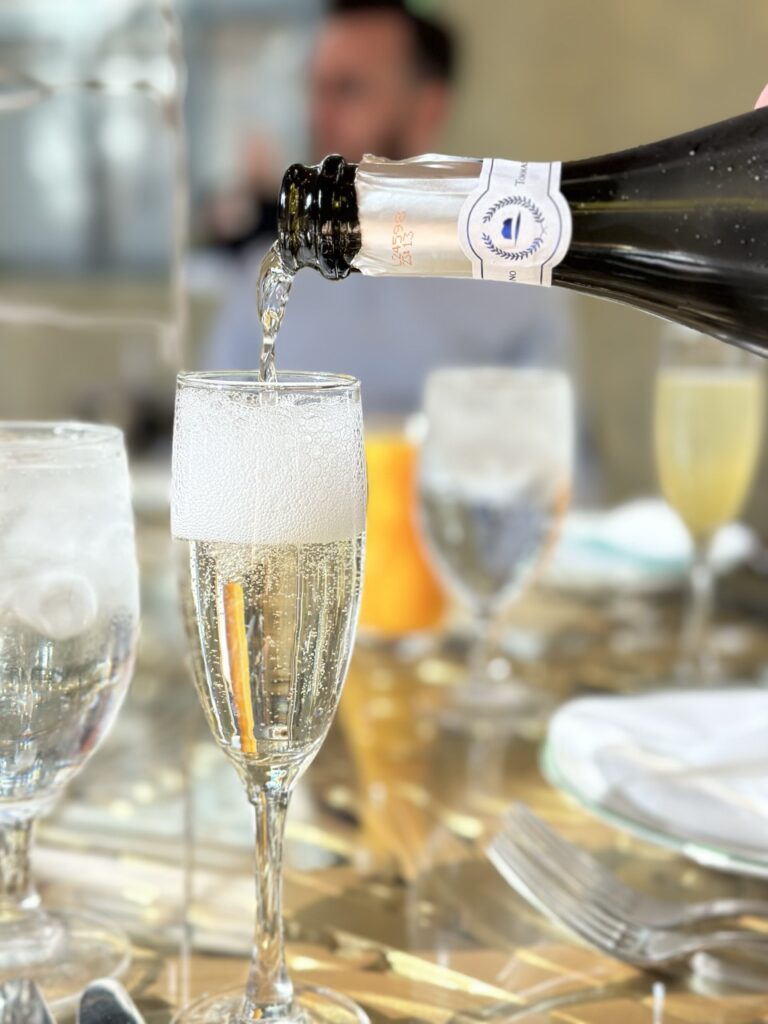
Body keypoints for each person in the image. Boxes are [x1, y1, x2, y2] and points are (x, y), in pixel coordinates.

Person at [204, 0, 575, 416]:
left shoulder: (511, 277)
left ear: (427, 109)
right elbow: (215, 438)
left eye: (348, 89)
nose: (318, 115)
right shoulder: (264, 281)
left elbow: (559, 467)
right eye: (315, 89)